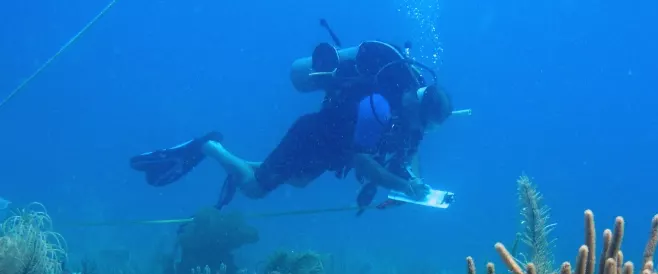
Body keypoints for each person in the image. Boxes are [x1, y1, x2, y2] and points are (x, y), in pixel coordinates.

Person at [130, 39, 453, 212]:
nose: (421, 130)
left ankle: (237, 164)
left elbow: (408, 153)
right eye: (424, 123)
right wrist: (400, 185)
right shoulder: (379, 106)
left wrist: (414, 184)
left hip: (329, 147)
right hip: (312, 136)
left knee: (296, 180)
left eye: (429, 129)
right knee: (255, 189)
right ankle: (208, 146)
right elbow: (362, 160)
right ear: (415, 103)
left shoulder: (412, 119)